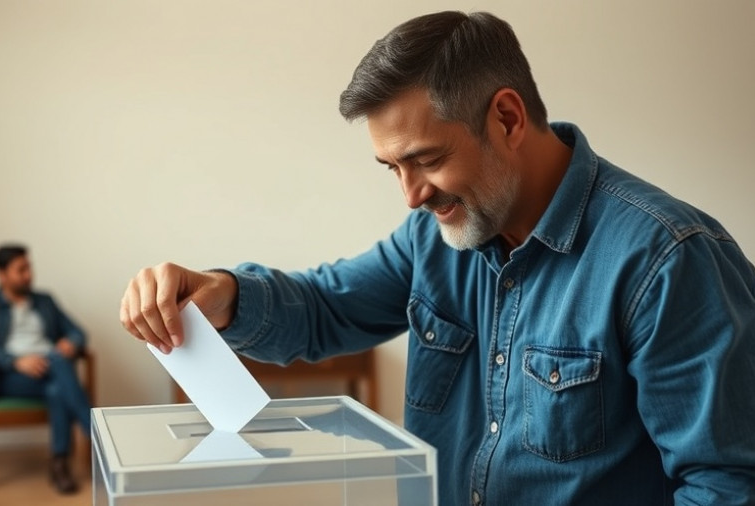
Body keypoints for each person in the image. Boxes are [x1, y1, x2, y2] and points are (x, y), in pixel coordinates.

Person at [119, 11, 755, 505]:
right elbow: (324, 310)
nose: (412, 194)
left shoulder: (669, 261)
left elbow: (727, 484)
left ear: (506, 118)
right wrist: (222, 292)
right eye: (391, 167)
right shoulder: (435, 235)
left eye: (425, 159)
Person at [0, 244, 91, 495]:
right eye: (20, 270)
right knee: (60, 366)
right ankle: (97, 437)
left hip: (51, 370)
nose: (28, 274)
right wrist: (13, 360)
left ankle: (59, 464)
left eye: (29, 267)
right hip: (11, 378)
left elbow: (78, 332)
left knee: (56, 388)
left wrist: (70, 342)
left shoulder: (45, 301)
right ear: (1, 275)